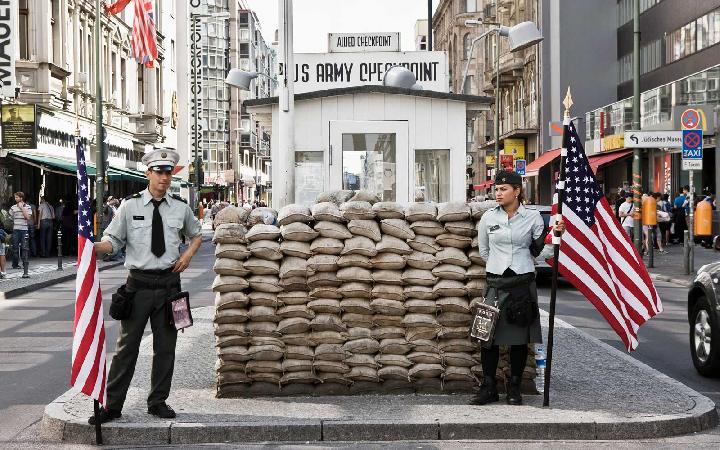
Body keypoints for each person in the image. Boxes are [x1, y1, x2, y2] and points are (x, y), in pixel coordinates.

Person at [90, 149, 202, 424]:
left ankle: (158, 401)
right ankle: (113, 405)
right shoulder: (129, 207)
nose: (164, 177)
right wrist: (91, 249)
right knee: (127, 347)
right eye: (159, 172)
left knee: (166, 348)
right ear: (148, 174)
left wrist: (187, 255)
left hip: (169, 286)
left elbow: (197, 233)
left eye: (168, 172)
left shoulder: (180, 207)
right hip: (138, 286)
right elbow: (112, 243)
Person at [472, 171, 565, 406]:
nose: (498, 193)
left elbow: (539, 252)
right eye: (497, 189)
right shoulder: (488, 218)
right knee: (488, 338)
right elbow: (484, 251)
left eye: (503, 189)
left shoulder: (532, 218)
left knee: (519, 340)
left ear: (517, 191)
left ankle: (514, 388)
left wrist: (555, 236)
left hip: (522, 286)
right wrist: (500, 266)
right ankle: (489, 387)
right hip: (495, 284)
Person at [9, 192, 32, 269]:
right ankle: (15, 265)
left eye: (17, 197)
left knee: (24, 248)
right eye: (15, 197)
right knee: (15, 248)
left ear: (21, 198)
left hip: (24, 230)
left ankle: (25, 263)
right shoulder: (13, 207)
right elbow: (10, 218)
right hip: (16, 230)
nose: (15, 199)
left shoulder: (28, 207)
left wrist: (22, 208)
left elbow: (27, 218)